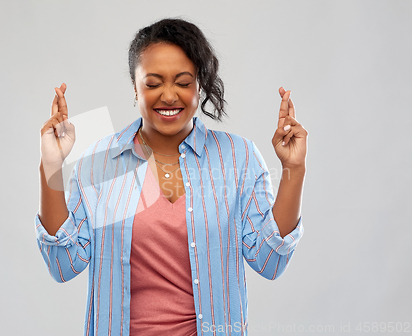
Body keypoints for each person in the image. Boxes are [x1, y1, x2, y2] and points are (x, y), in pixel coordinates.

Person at [36, 18, 307, 336]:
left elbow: (270, 260)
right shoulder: (101, 163)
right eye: (153, 83)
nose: (168, 95)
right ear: (134, 89)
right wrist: (50, 165)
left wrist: (294, 169)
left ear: (200, 86)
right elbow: (63, 265)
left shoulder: (238, 157)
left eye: (183, 82)